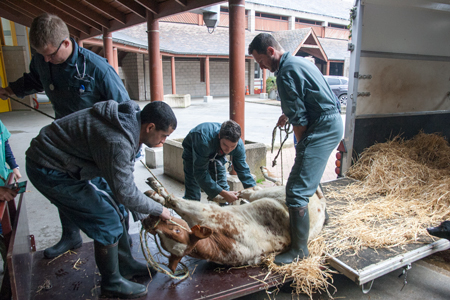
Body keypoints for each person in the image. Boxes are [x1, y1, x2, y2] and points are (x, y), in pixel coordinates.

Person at [0, 13, 131, 259]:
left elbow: (125, 112)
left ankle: (123, 252)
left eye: (50, 54)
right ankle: (70, 236)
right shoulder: (43, 59)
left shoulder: (98, 69)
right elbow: (34, 79)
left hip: (96, 148)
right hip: (63, 143)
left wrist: (126, 155)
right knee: (67, 191)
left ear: (67, 43)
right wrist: (11, 90)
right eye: (41, 54)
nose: (46, 59)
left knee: (109, 198)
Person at [25, 100, 176, 298]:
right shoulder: (117, 141)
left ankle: (125, 264)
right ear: (150, 127)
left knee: (118, 209)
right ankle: (112, 283)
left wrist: (140, 211)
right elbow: (127, 193)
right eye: (164, 136)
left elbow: (124, 186)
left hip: (73, 161)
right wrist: (158, 209)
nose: (164, 141)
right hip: (49, 167)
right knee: (106, 220)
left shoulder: (130, 122)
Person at [248, 33, 343, 265]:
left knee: (296, 189)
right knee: (310, 174)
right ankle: (324, 217)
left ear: (271, 52)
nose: (261, 67)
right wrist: (286, 114)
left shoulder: (285, 73)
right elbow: (307, 97)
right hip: (332, 122)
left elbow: (300, 119)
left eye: (260, 61)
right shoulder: (300, 62)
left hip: (321, 127)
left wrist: (301, 148)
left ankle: (300, 250)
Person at [182, 121, 256, 203]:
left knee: (222, 187)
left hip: (218, 153)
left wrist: (253, 192)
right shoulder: (203, 140)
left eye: (233, 146)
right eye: (225, 145)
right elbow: (200, 173)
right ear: (219, 135)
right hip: (194, 151)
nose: (229, 150)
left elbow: (243, 170)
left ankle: (224, 209)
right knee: (193, 192)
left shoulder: (238, 146)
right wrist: (224, 194)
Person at [0, 120, 21, 300]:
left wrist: (14, 166)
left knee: (4, 232)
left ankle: (8, 271)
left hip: (2, 180)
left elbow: (5, 145)